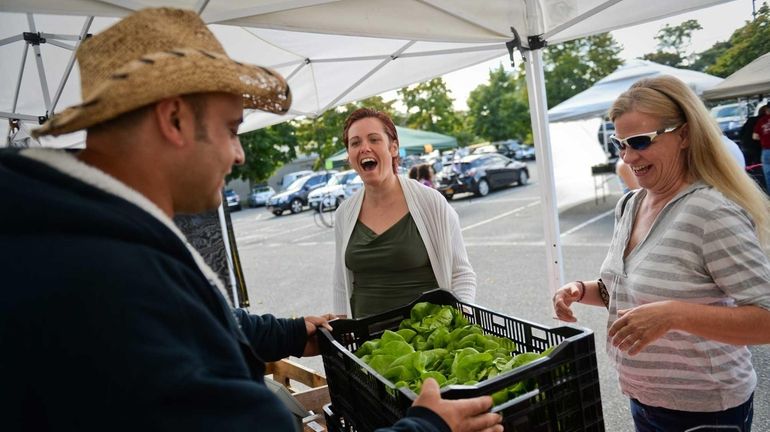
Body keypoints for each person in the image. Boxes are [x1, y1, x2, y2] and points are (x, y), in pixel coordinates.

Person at [0, 9, 502, 432]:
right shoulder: (103, 278)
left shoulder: (85, 232)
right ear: (174, 120)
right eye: (232, 129)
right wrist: (429, 427)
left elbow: (199, 313)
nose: (240, 155)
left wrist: (283, 333)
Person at [552, 75, 770, 431]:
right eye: (619, 144)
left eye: (640, 141)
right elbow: (627, 291)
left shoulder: (711, 213)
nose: (628, 156)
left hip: (705, 412)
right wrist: (580, 290)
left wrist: (674, 315)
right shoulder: (631, 204)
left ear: (683, 135)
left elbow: (766, 317)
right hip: (646, 401)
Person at [333, 108, 476, 318]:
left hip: (428, 342)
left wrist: (458, 323)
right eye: (355, 143)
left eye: (374, 139)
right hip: (370, 347)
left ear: (393, 148)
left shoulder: (431, 202)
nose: (364, 148)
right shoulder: (344, 213)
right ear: (350, 156)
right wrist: (341, 330)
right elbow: (341, 285)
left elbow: (461, 274)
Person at [753, 103, 770, 192]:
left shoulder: (761, 121)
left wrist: (764, 137)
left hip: (766, 150)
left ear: (767, 110)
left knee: (768, 174)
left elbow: (755, 136)